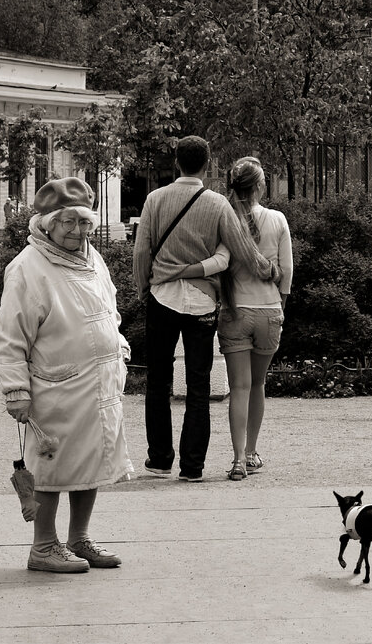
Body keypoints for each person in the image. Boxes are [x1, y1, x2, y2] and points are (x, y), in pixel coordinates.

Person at [0, 177, 133, 573]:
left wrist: (118, 345)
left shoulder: (93, 257)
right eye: (68, 222)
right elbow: (10, 334)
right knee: (52, 469)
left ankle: (78, 539)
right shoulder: (27, 268)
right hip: (56, 386)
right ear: (48, 222)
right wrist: (16, 389)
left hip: (98, 384)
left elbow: (110, 309)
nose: (78, 231)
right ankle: (43, 546)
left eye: (85, 222)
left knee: (90, 464)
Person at [133, 136, 279, 483]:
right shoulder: (217, 204)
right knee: (198, 384)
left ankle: (160, 459)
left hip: (162, 297)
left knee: (158, 380)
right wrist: (267, 270)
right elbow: (241, 248)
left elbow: (141, 251)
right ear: (207, 162)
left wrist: (142, 287)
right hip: (201, 302)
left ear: (177, 162)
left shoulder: (155, 199)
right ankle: (193, 465)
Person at [179, 157, 292, 480]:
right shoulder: (277, 219)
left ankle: (238, 458)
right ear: (260, 186)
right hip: (268, 311)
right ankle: (253, 451)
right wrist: (279, 306)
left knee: (239, 388)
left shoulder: (222, 218)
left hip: (235, 312)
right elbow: (287, 272)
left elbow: (218, 264)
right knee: (258, 384)